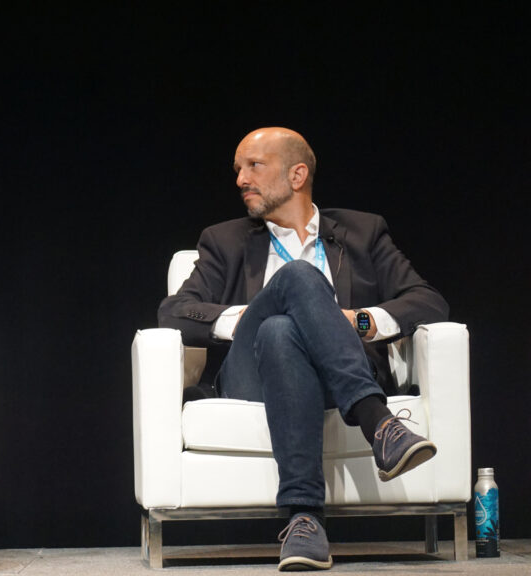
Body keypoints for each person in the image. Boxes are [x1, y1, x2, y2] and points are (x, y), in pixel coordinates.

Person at [158, 127, 449, 571]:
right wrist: (246, 316)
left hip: (340, 373)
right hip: (251, 379)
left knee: (280, 332)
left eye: (254, 166)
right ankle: (380, 425)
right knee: (291, 285)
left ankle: (305, 520)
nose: (240, 179)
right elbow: (174, 312)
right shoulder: (225, 240)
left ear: (297, 174)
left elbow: (428, 301)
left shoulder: (363, 232)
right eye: (237, 169)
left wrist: (361, 321)